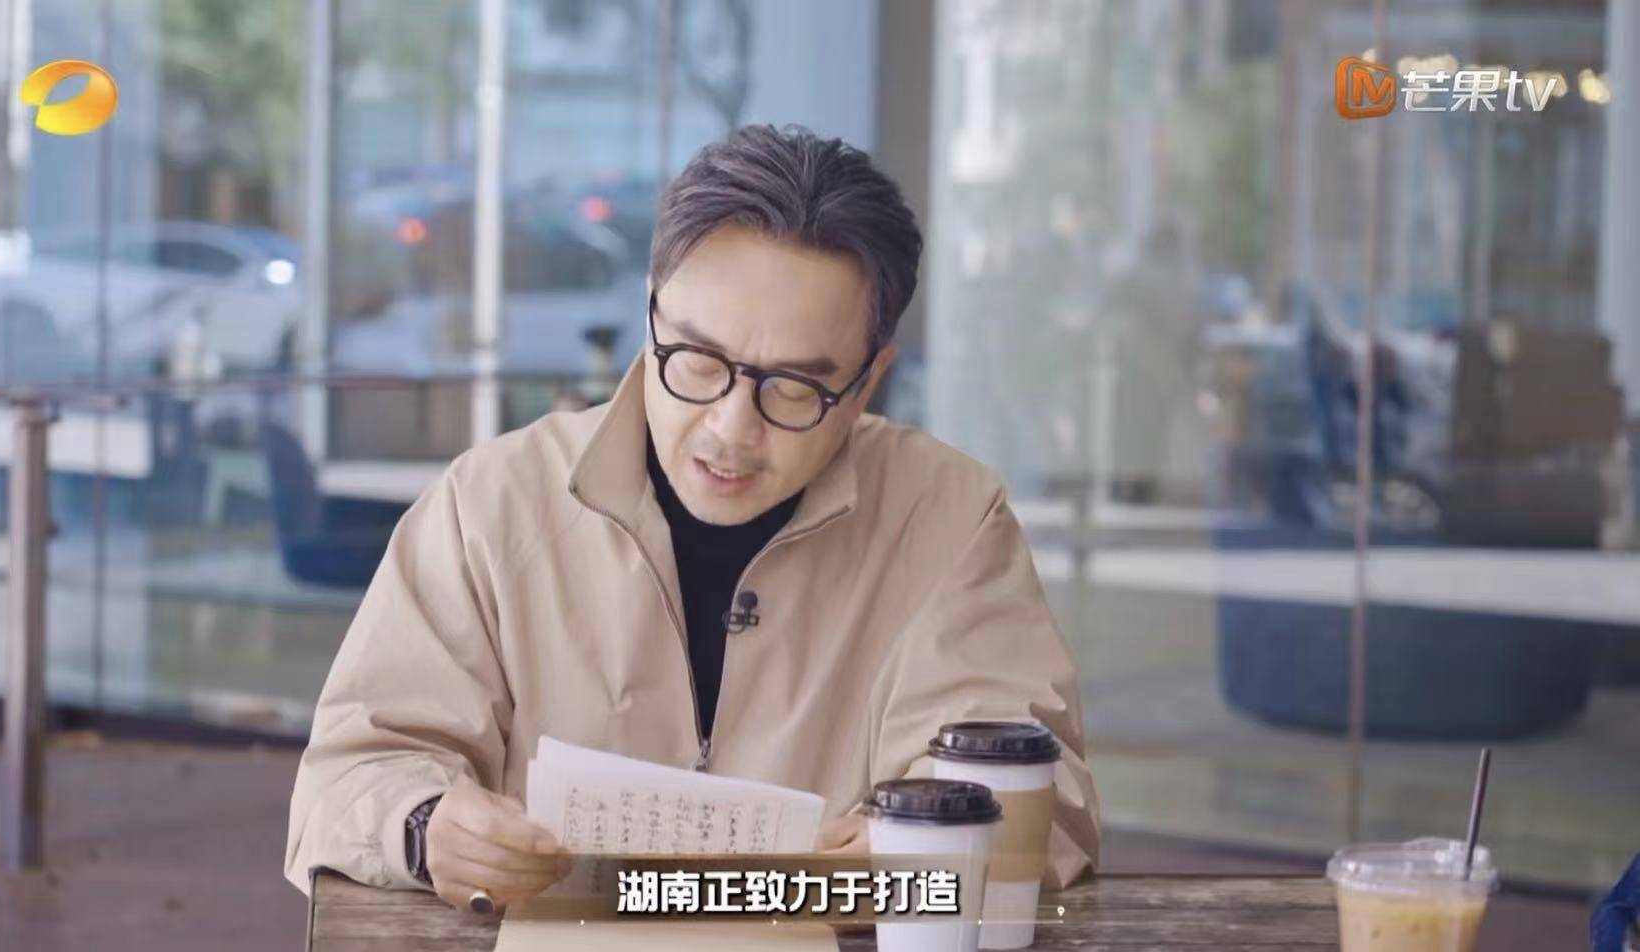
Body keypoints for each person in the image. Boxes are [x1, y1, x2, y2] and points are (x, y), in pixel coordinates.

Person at [283, 124, 1100, 910]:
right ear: (650, 315)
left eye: (794, 388)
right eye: (698, 361)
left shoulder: (948, 518)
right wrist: (424, 827)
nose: (731, 430)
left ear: (867, 382)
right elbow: (350, 773)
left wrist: (918, 851)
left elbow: (1044, 797)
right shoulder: (490, 504)